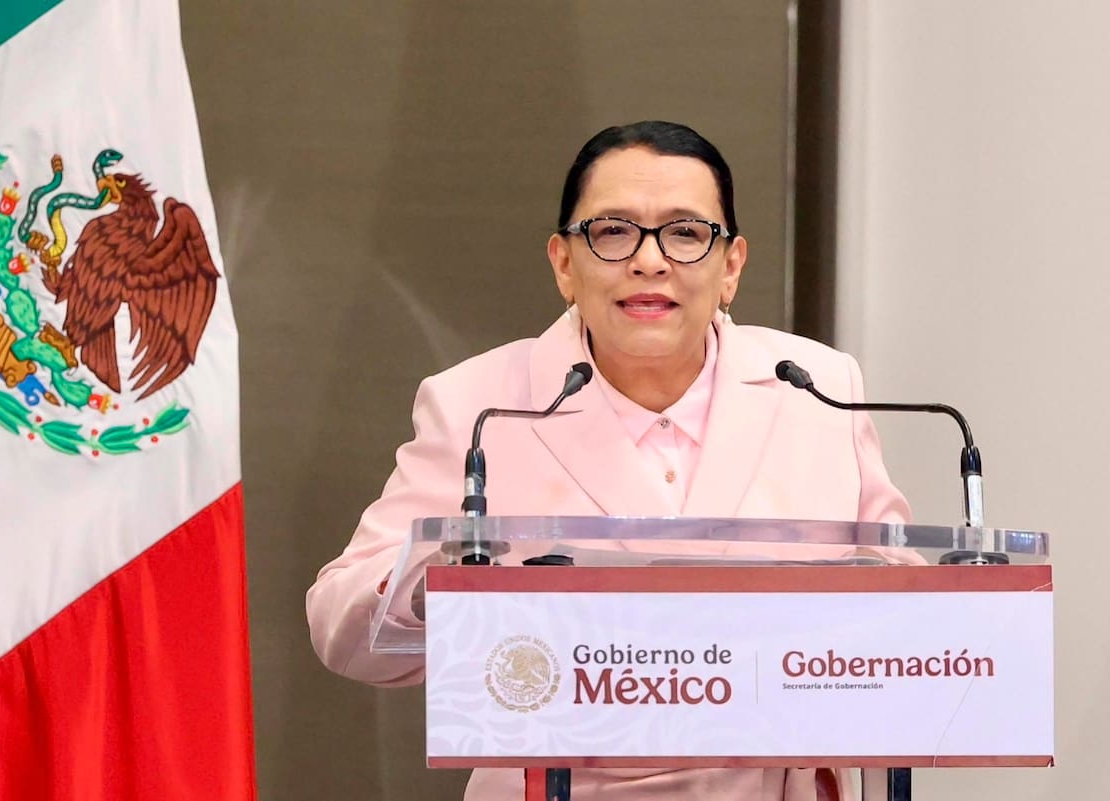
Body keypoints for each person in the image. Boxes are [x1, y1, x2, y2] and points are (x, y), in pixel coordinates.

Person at [306, 120, 910, 800]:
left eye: (685, 233)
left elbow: (911, 601)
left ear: (732, 264)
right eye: (614, 231)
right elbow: (340, 624)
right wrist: (437, 583)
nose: (649, 261)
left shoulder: (818, 388)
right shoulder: (480, 406)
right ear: (565, 262)